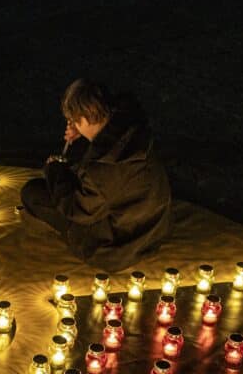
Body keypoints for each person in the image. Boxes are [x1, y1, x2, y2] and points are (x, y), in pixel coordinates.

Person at [20, 78, 171, 271]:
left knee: (33, 193)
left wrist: (55, 170)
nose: (73, 125)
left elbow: (77, 210)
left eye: (74, 120)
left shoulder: (100, 170)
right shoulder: (133, 124)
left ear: (83, 118)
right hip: (154, 228)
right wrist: (82, 133)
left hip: (120, 246)